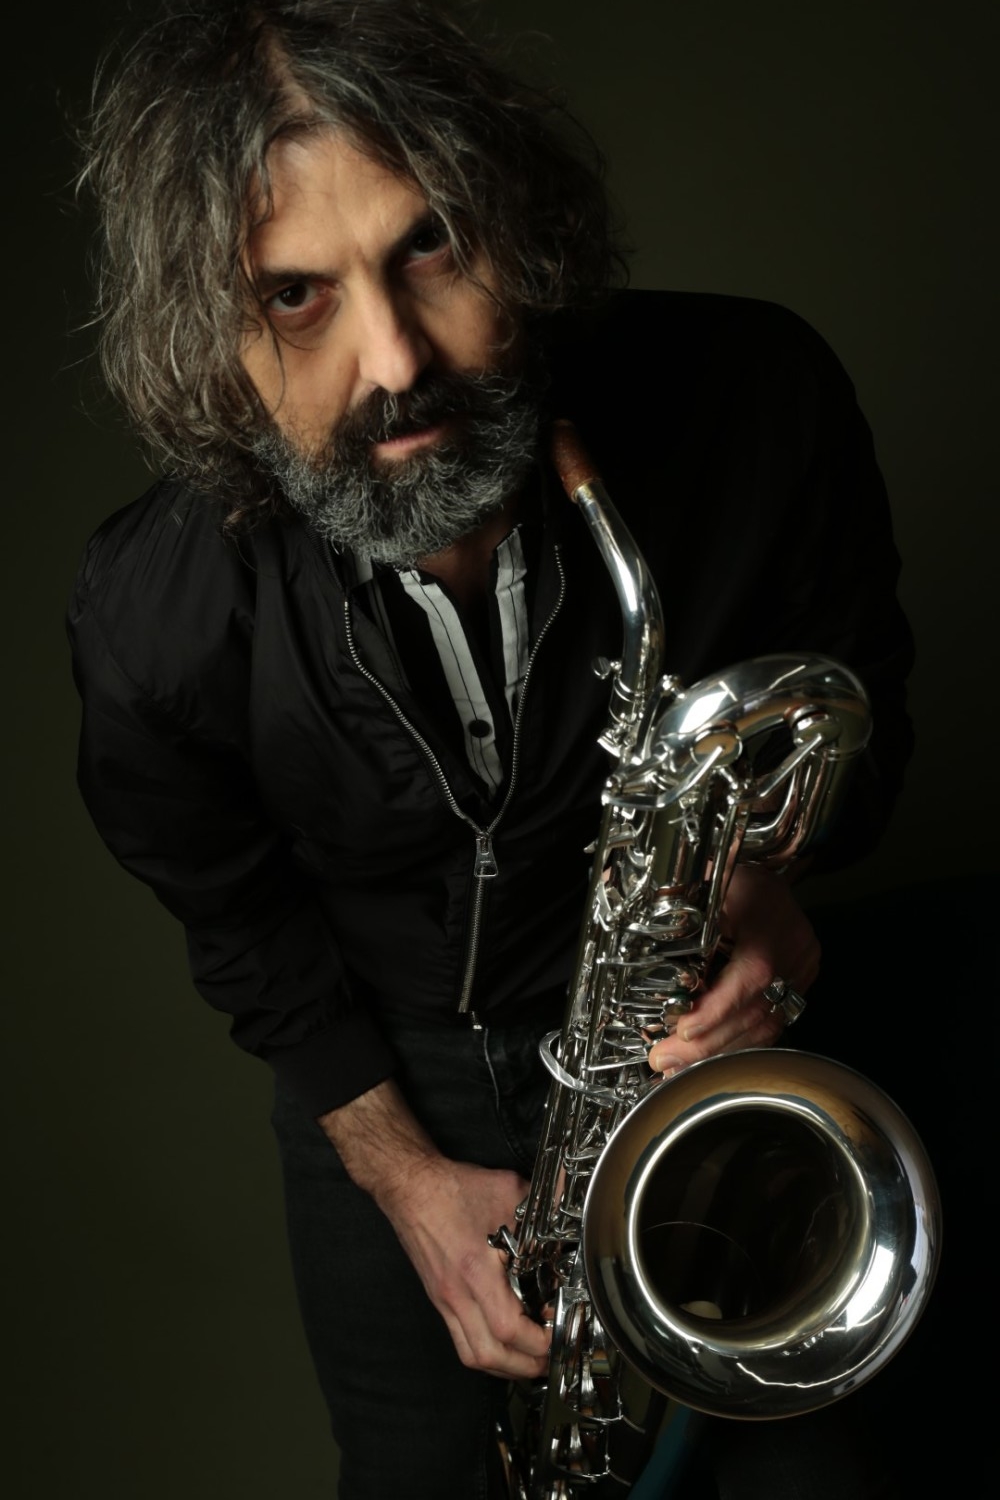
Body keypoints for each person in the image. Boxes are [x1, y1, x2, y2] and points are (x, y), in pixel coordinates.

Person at [69, 2, 913, 1495]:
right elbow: (235, 912)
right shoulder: (154, 613)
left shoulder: (760, 399)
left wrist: (774, 894)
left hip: (692, 1039)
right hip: (393, 1068)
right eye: (295, 296)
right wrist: (399, 1175)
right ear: (211, 339)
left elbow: (864, 718)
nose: (396, 359)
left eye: (433, 247)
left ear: (518, 224)